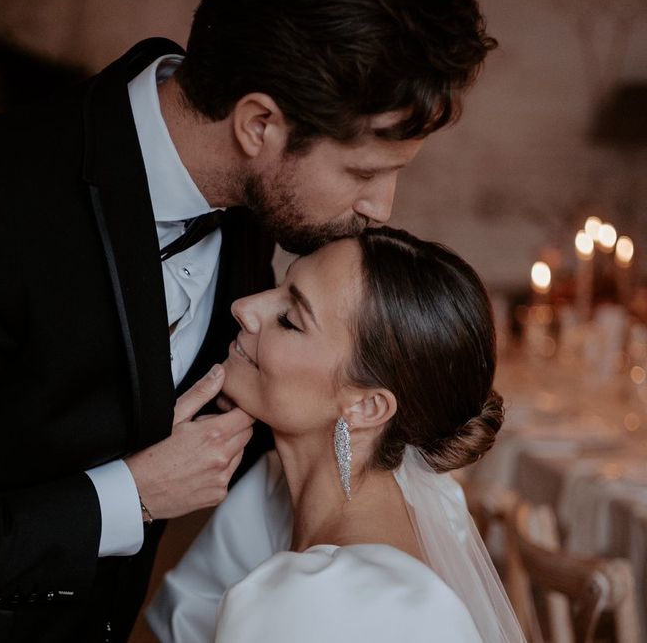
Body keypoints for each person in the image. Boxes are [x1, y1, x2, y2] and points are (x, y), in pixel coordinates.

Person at [0, 0, 495, 642]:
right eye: (361, 172)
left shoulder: (258, 204)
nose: (382, 207)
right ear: (259, 124)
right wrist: (130, 498)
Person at [148, 228, 525, 642]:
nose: (243, 307)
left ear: (367, 407)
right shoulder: (269, 493)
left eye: (289, 320)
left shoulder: (331, 602)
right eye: (280, 287)